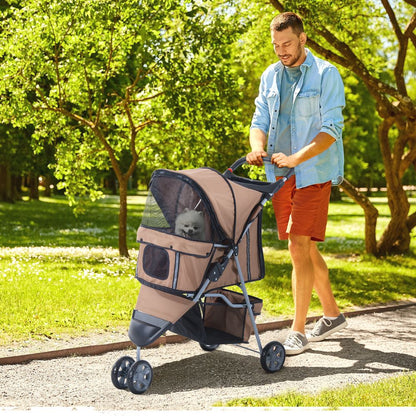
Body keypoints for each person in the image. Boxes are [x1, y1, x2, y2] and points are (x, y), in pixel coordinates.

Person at [246, 12, 347, 355]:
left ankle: (298, 330)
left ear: (302, 39)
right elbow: (259, 119)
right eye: (275, 45)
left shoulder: (325, 75)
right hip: (280, 174)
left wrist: (295, 159)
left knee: (297, 247)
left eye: (286, 44)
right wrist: (257, 148)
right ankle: (332, 314)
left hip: (313, 173)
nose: (281, 51)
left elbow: (331, 130)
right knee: (304, 246)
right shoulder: (271, 76)